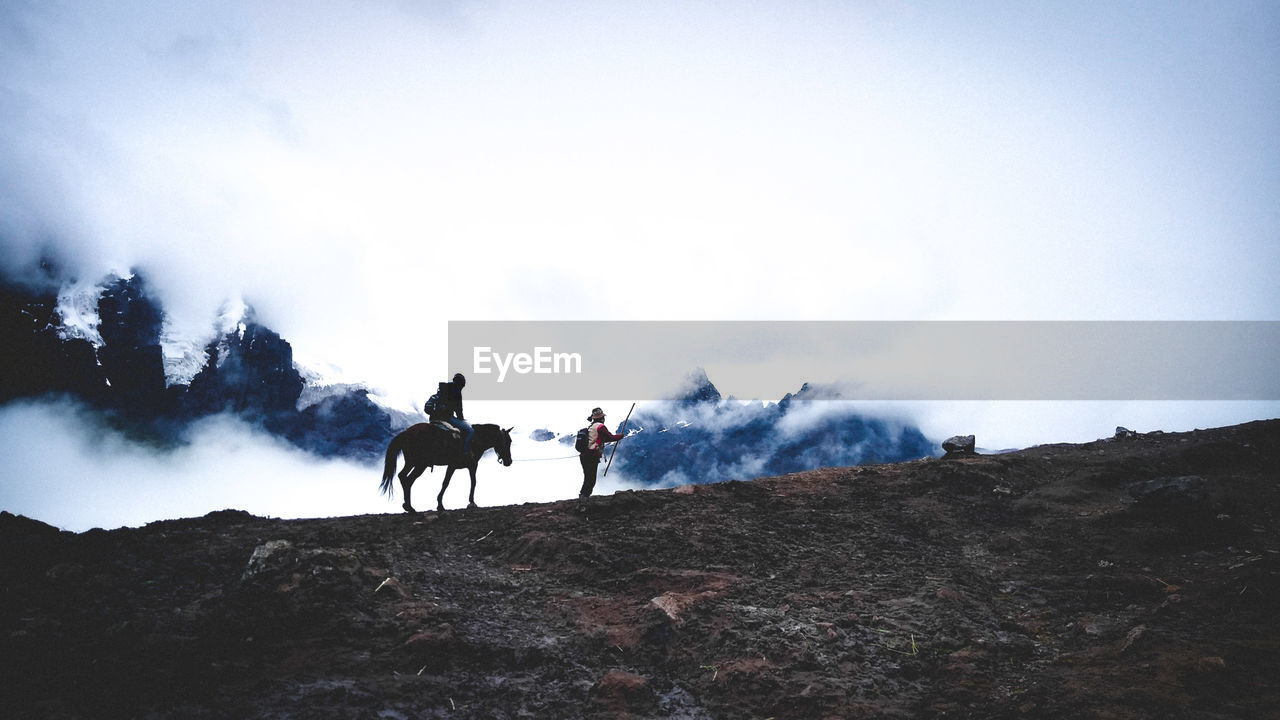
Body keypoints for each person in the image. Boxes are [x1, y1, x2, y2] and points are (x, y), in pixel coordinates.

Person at [579, 406, 624, 498]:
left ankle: (583, 496)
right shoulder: (600, 427)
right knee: (591, 478)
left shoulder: (591, 427)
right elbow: (610, 437)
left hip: (584, 455)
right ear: (601, 418)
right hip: (592, 456)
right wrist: (620, 436)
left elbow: (602, 439)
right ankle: (584, 497)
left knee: (587, 477)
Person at [427, 372, 473, 455]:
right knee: (470, 431)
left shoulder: (443, 389)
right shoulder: (457, 391)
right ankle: (465, 452)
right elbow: (459, 410)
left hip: (433, 418)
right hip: (446, 418)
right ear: (461, 383)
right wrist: (461, 419)